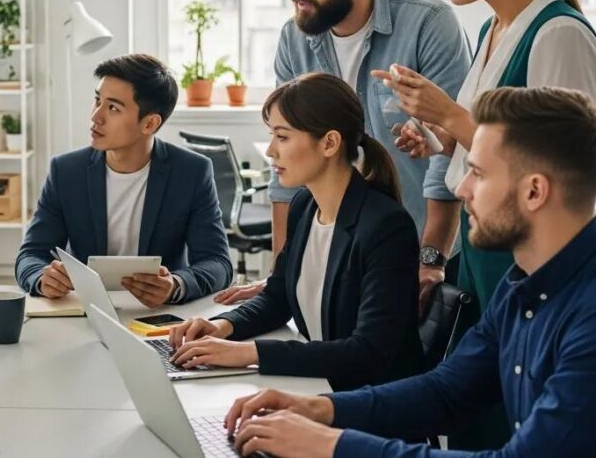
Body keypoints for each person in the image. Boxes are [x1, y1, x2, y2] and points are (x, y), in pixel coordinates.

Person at [220, 87, 596, 458]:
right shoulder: (520, 284)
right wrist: (318, 409)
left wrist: (330, 444)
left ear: (534, 192)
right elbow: (446, 391)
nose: (461, 188)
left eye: (477, 173)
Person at [374, 0, 596, 447]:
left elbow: (559, 163)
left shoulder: (560, 33)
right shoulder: (490, 30)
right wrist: (439, 140)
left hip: (522, 254)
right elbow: (489, 147)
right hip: (480, 254)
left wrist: (449, 115)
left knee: (512, 417)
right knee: (471, 404)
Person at [217, 0, 470, 316]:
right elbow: (287, 168)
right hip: (337, 254)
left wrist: (430, 259)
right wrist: (281, 278)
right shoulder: (294, 40)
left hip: (423, 253)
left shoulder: (428, 23)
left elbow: (450, 150)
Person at [168, 73, 422, 391]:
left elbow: (368, 352)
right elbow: (277, 298)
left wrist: (247, 353)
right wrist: (221, 326)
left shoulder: (385, 227)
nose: (272, 151)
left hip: (368, 408)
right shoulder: (304, 205)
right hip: (316, 388)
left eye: (283, 137)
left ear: (329, 142)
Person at [14, 54, 232, 307]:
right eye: (97, 100)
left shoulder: (192, 172)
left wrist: (175, 284)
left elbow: (218, 263)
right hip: (87, 309)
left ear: (149, 123)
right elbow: (30, 255)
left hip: (158, 314)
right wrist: (42, 278)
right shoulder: (66, 172)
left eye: (113, 108)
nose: (96, 116)